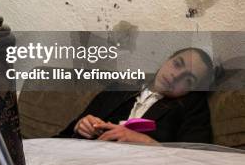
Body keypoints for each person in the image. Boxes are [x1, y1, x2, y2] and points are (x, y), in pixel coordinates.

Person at [58, 47, 215, 144]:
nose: (175, 76)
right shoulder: (117, 89)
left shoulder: (192, 105)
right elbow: (63, 137)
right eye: (177, 63)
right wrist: (81, 127)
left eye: (188, 80)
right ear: (168, 59)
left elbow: (195, 157)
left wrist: (144, 141)